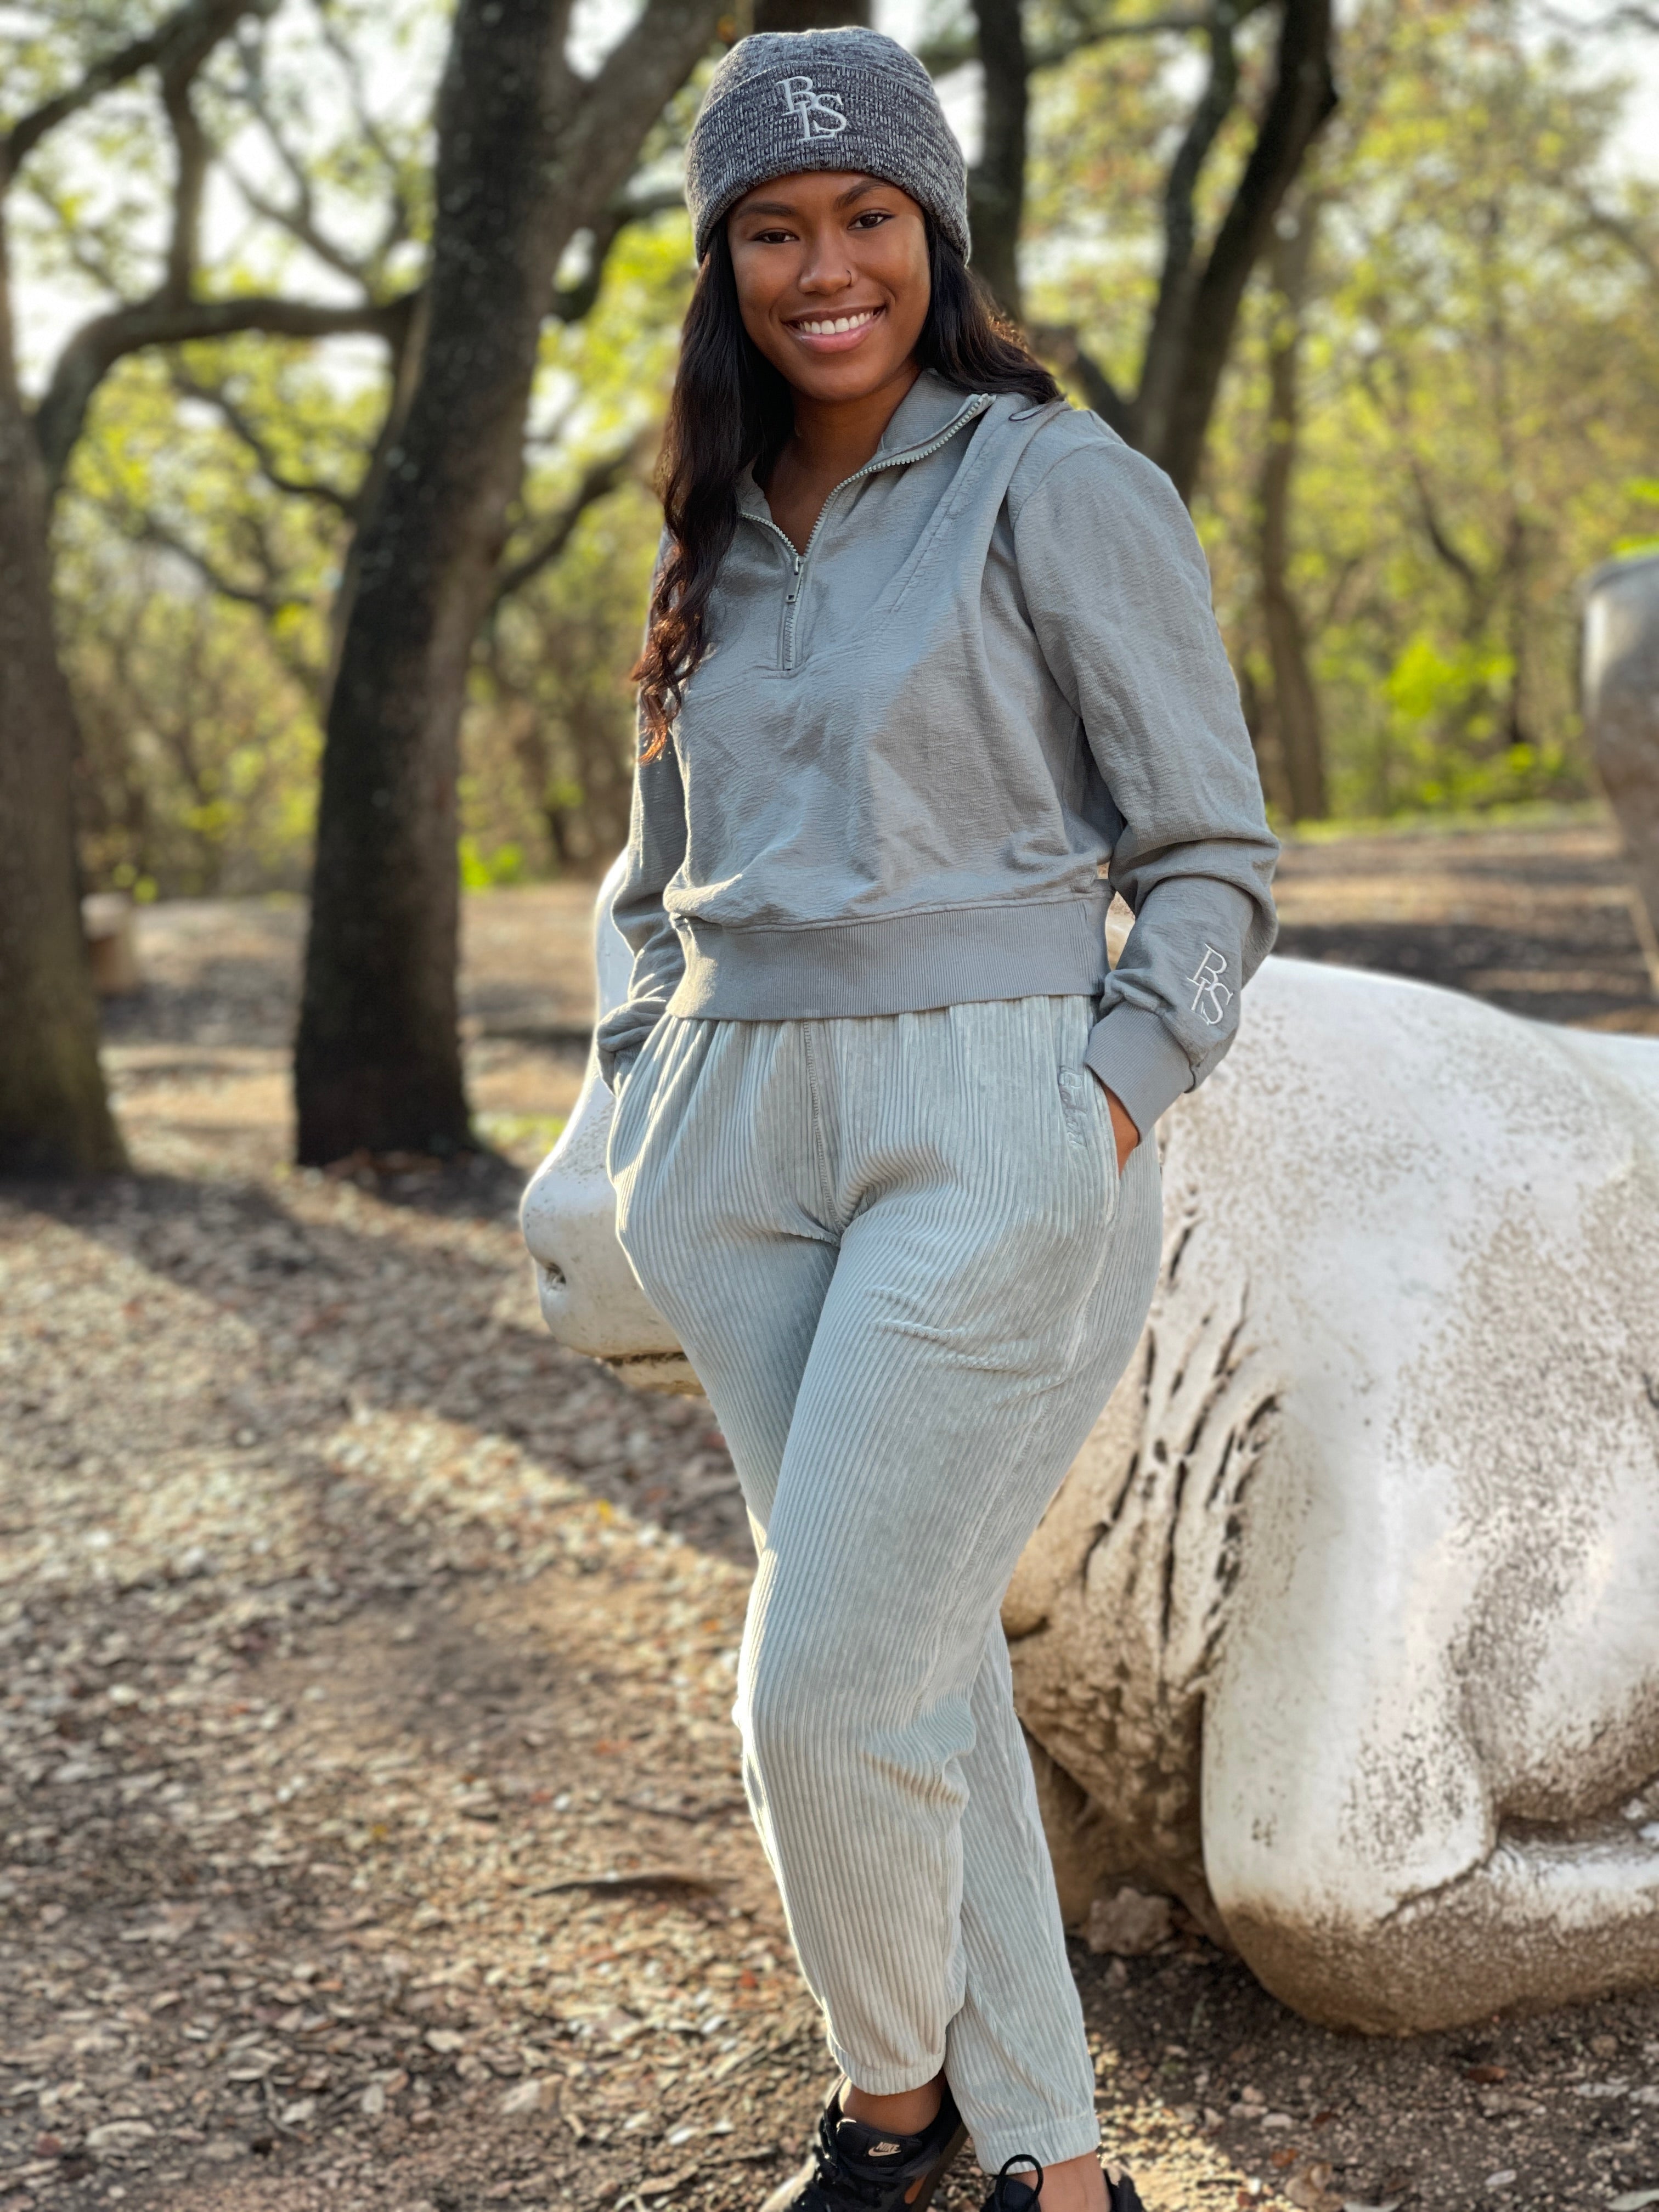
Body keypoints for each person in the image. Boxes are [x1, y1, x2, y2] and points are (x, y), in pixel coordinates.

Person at [595, 28, 1278, 2212]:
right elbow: (647, 869)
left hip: (985, 1129)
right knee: (904, 1675)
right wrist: (640, 1087)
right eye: (775, 229)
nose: (825, 268)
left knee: (819, 1691)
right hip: (732, 1146)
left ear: (933, 234)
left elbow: (1211, 854)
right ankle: (1057, 2172)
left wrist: (1091, 1104)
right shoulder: (707, 505)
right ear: (723, 259)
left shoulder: (1053, 482)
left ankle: (895, 2121)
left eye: (865, 218)